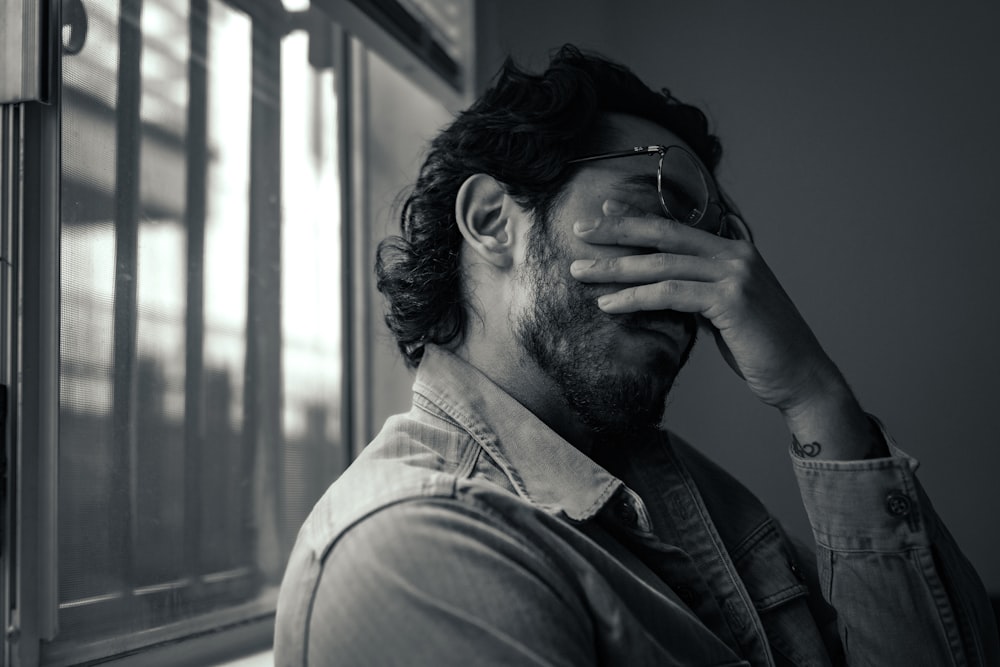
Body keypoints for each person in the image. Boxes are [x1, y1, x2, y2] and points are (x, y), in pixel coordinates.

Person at [274, 45, 999, 666]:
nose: (710, 272)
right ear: (494, 219)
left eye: (719, 235)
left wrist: (816, 397)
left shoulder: (682, 496)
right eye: (657, 201)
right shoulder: (416, 548)